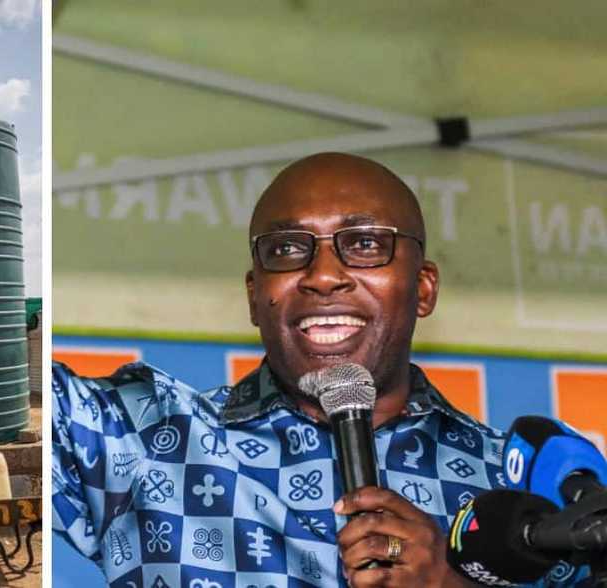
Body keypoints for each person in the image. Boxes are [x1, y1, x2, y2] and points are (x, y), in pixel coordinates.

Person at [52, 153, 588, 587]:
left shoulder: (517, 492)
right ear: (254, 293)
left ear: (423, 288)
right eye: (286, 249)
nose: (324, 275)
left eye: (364, 244)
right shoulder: (144, 435)